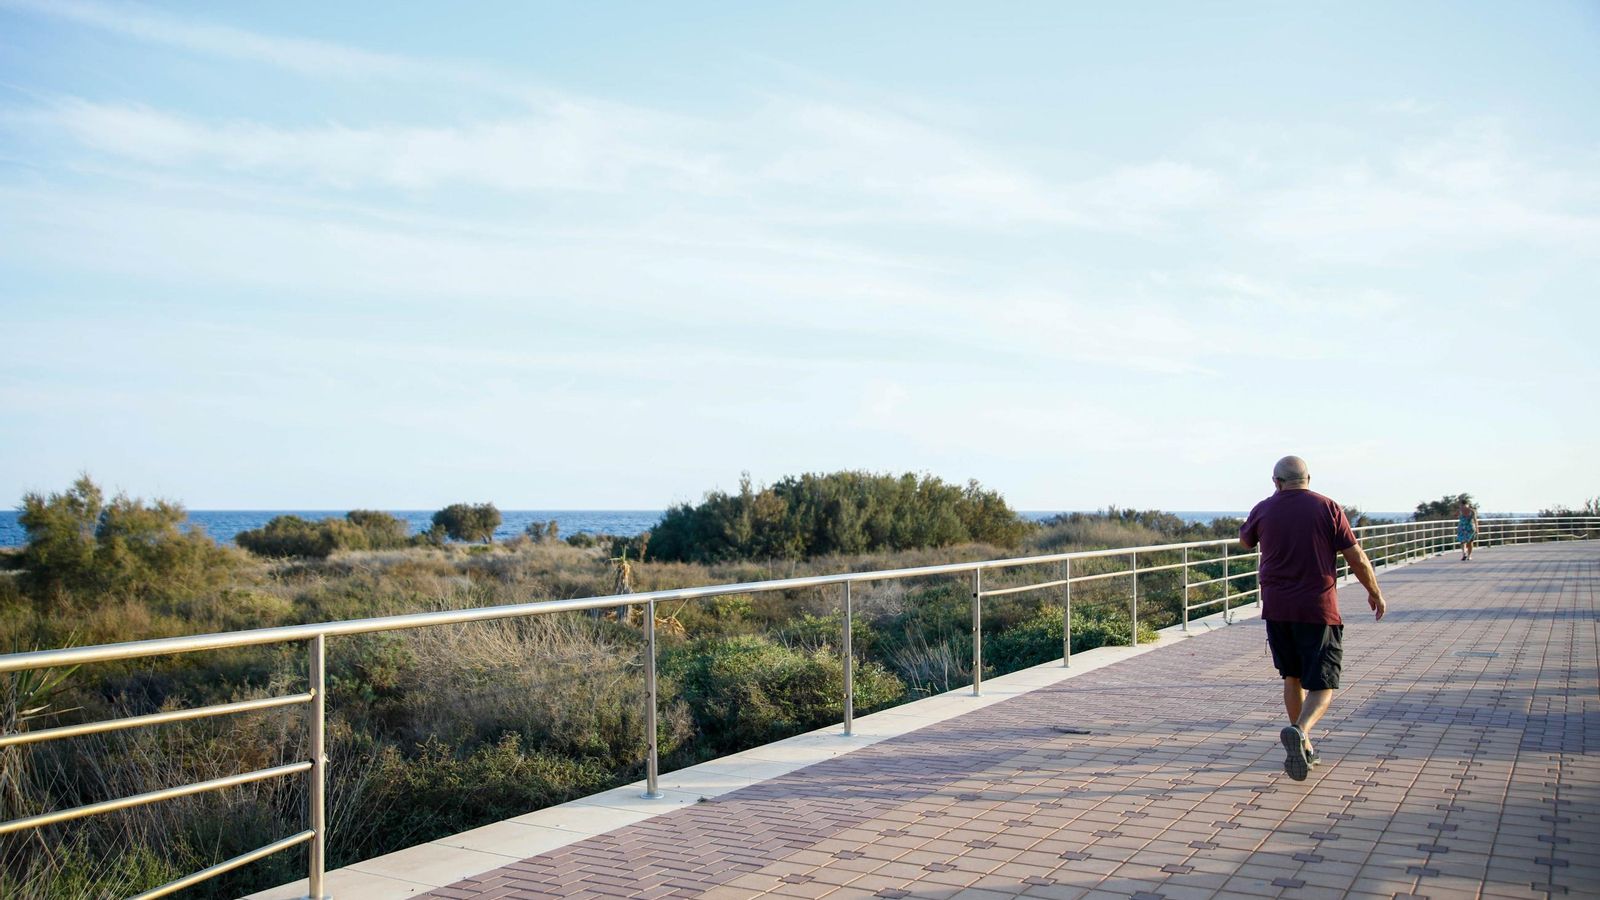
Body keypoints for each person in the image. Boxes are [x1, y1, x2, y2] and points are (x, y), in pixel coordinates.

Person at [1240, 456, 1386, 781]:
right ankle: (1301, 731)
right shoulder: (1328, 507)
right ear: (1308, 478)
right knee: (1324, 684)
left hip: (1277, 609)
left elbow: (1245, 540)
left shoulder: (1264, 507)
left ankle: (1303, 746)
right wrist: (1375, 592)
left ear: (1276, 481)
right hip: (1317, 609)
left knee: (1291, 678)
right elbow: (1356, 557)